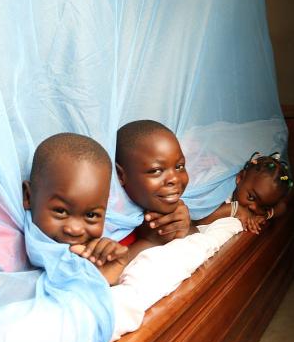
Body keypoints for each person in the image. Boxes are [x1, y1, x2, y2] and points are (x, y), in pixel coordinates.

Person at [22, 132, 129, 285]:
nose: (75, 229)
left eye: (91, 215)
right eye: (60, 211)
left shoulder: (101, 253)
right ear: (28, 196)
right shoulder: (4, 249)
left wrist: (104, 279)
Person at [114, 120, 195, 259]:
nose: (174, 179)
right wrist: (149, 241)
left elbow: (195, 239)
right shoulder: (113, 220)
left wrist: (184, 226)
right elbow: (104, 273)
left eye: (179, 166)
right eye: (156, 170)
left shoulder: (164, 205)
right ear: (121, 175)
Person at [193, 152, 293, 234]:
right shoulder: (222, 189)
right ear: (240, 177)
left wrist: (265, 215)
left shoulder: (256, 194)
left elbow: (282, 207)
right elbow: (198, 219)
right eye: (251, 197)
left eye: (264, 207)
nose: (254, 208)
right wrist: (236, 209)